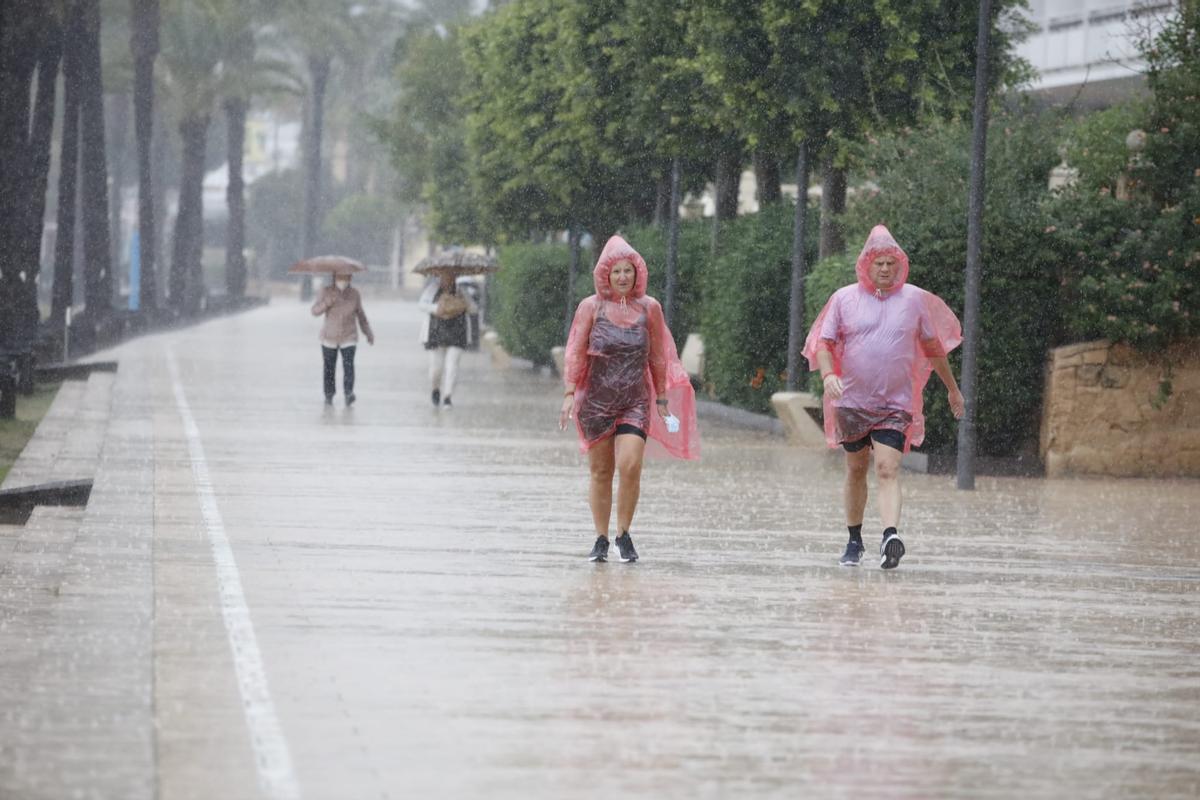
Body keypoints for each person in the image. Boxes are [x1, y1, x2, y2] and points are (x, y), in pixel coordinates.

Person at [802, 225, 964, 570]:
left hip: (896, 404)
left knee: (888, 468)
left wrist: (952, 387)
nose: (886, 269)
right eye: (880, 263)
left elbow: (933, 349)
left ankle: (890, 535)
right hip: (852, 401)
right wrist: (829, 374)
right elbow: (824, 344)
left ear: (900, 265)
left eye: (892, 263)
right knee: (856, 468)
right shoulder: (844, 298)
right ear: (866, 265)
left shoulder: (914, 300)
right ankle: (854, 540)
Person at [559, 235, 699, 563]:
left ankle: (624, 533)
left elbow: (658, 356)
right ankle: (601, 538)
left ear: (638, 274)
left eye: (628, 271)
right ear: (605, 274)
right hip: (595, 400)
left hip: (635, 399)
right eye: (617, 271)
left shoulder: (649, 308)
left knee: (631, 464)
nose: (623, 277)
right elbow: (575, 351)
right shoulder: (590, 308)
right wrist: (568, 393)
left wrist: (661, 398)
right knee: (601, 471)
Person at [311, 272, 374, 407]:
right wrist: (327, 302)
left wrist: (368, 333)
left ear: (350, 278)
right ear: (334, 277)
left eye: (346, 277)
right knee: (329, 368)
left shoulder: (354, 294)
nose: (343, 280)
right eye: (340, 277)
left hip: (349, 336)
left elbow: (361, 316)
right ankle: (329, 395)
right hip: (329, 337)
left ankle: (348, 393)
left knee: (349, 366)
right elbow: (315, 311)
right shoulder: (326, 291)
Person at [418, 273, 479, 408]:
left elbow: (474, 309)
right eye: (446, 275)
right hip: (436, 333)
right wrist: (437, 308)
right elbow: (421, 304)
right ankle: (435, 389)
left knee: (452, 366)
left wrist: (464, 303)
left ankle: (447, 397)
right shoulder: (432, 288)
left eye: (452, 276)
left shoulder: (461, 291)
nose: (449, 279)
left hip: (457, 333)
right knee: (436, 368)